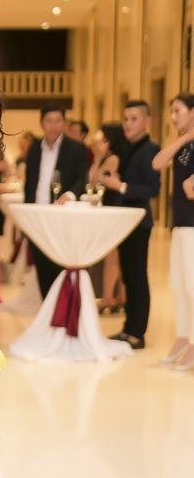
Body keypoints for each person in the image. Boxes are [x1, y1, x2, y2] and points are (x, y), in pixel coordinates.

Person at [104, 99, 161, 350]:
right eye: (126, 119)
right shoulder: (128, 148)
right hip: (124, 222)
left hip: (139, 223)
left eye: (134, 119)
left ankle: (138, 333)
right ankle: (129, 329)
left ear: (147, 121)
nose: (128, 124)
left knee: (137, 276)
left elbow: (153, 189)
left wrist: (122, 186)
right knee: (127, 275)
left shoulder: (151, 150)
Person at [23, 104, 89, 297]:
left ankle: (62, 310)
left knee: (59, 267)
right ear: (41, 123)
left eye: (58, 121)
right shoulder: (35, 149)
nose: (53, 125)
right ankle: (47, 307)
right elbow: (29, 183)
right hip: (37, 216)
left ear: (64, 123)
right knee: (41, 266)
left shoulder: (76, 148)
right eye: (49, 121)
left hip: (61, 216)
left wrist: (71, 194)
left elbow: (82, 179)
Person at [152, 94, 194, 369]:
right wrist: (186, 137)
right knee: (179, 286)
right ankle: (182, 337)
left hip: (193, 225)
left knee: (192, 286)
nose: (173, 116)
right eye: (171, 111)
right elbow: (157, 163)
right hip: (180, 223)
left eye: (178, 110)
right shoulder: (184, 144)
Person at [88, 121, 127, 313]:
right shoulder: (112, 157)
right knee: (117, 256)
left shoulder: (112, 159)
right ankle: (120, 297)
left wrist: (98, 157)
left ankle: (107, 298)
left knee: (112, 256)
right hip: (113, 208)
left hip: (114, 209)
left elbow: (94, 179)